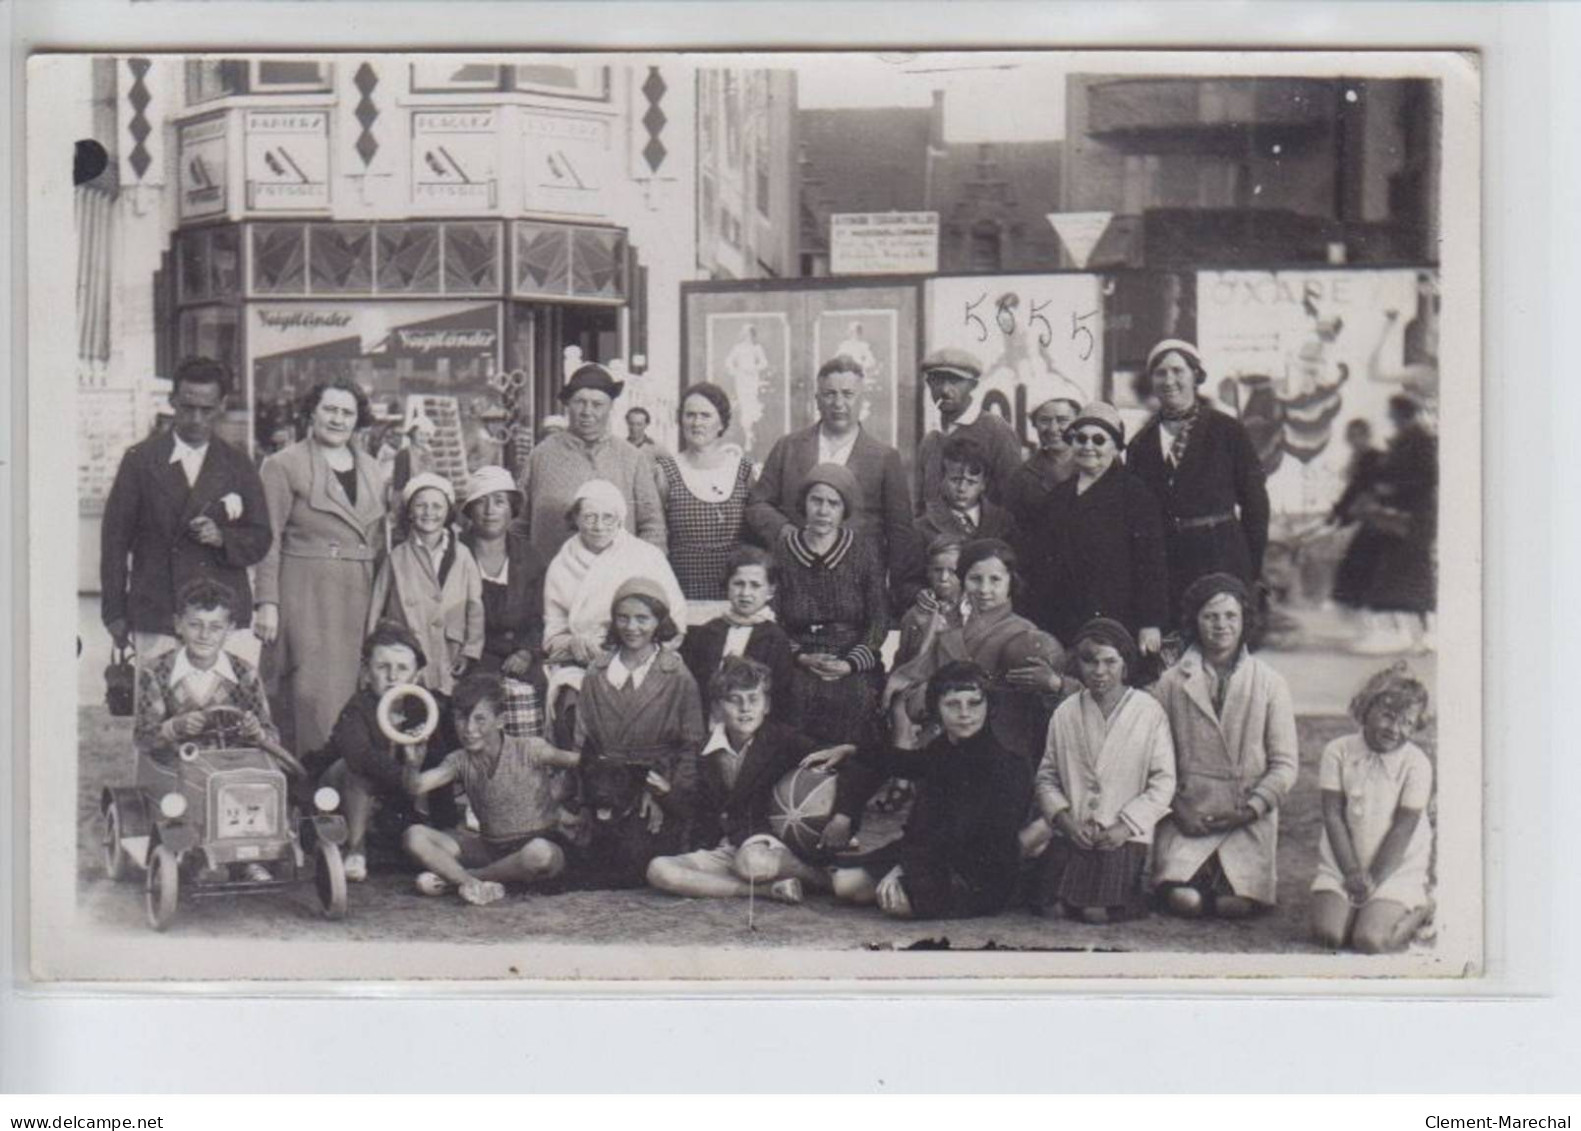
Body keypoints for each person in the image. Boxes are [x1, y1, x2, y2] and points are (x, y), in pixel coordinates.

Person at [812, 661, 1033, 921]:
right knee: (847, 886)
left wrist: (903, 867)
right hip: (930, 854)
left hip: (974, 874)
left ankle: (797, 871)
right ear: (937, 708)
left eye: (974, 703)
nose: (965, 713)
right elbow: (910, 762)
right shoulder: (945, 747)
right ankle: (794, 870)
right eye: (953, 704)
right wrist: (853, 750)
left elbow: (962, 835)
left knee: (895, 903)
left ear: (988, 706)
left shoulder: (1002, 764)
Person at [101, 357, 272, 669]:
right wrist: (114, 610)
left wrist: (223, 539)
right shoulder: (140, 460)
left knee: (222, 714)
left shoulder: (238, 463)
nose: (196, 419)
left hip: (221, 617)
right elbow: (114, 541)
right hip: (157, 610)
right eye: (186, 407)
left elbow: (261, 537)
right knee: (157, 712)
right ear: (172, 402)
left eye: (206, 410)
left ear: (221, 405)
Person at [1152, 573, 1299, 919]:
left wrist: (1250, 809)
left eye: (1231, 616)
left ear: (1245, 619)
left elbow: (1285, 765)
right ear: (1194, 621)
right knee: (1184, 901)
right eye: (1210, 616)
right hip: (1189, 815)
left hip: (1244, 816)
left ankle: (1234, 886)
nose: (1221, 626)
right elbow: (1155, 759)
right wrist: (1178, 808)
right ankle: (1183, 882)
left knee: (1234, 904)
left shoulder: (1269, 682)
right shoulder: (1171, 683)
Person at [254, 377, 387, 754]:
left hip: (359, 592)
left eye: (347, 412)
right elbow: (269, 538)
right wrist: (267, 602)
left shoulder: (374, 469)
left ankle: (350, 788)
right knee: (309, 693)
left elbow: (379, 539)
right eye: (330, 409)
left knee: (355, 688)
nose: (338, 419)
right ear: (312, 412)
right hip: (306, 592)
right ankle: (310, 788)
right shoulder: (283, 465)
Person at [646, 657, 841, 904]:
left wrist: (845, 753)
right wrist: (665, 793)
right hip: (727, 849)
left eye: (753, 699)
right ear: (717, 708)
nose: (745, 709)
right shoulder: (704, 749)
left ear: (767, 705)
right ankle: (768, 891)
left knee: (752, 863)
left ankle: (817, 878)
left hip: (769, 846)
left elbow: (828, 761)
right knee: (659, 870)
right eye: (734, 700)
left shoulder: (783, 741)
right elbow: (697, 809)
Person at [1021, 619, 1177, 923]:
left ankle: (1134, 897)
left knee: (1095, 912)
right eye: (1089, 662)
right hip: (1076, 830)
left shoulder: (1148, 712)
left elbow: (1163, 781)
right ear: (1076, 664)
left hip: (1122, 834)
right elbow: (1047, 777)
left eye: (1110, 662)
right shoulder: (1066, 712)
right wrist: (1065, 820)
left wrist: (1125, 826)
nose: (1100, 671)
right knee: (1051, 908)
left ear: (1125, 664)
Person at [568, 578, 709, 889]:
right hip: (605, 787)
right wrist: (583, 802)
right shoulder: (597, 672)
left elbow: (690, 746)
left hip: (654, 786)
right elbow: (583, 741)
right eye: (623, 617)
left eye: (642, 618)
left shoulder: (677, 675)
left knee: (636, 860)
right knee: (590, 859)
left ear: (659, 621)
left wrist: (668, 797)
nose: (632, 627)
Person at [401, 672, 580, 906]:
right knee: (414, 835)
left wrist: (572, 802)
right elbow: (416, 786)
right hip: (490, 847)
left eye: (480, 719)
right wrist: (412, 765)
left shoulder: (531, 749)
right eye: (461, 719)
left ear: (500, 720)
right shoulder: (459, 760)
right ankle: (472, 883)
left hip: (538, 846)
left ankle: (463, 880)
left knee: (539, 854)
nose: (469, 729)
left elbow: (583, 763)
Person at [1125, 339, 1271, 620]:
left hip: (1222, 555)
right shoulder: (1140, 444)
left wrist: (1252, 568)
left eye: (1178, 371)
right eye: (1160, 373)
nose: (1169, 380)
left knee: (1221, 643)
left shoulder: (1227, 430)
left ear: (1195, 376)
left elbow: (1255, 505)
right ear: (1152, 382)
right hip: (1168, 562)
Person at [746, 356, 913, 593]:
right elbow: (757, 505)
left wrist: (896, 593)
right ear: (817, 400)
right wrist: (787, 534)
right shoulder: (789, 447)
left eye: (847, 394)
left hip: (858, 585)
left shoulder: (884, 457)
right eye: (829, 394)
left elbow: (900, 532)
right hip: (795, 578)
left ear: (862, 399)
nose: (838, 403)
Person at [886, 539, 1064, 761]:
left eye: (995, 580)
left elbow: (1033, 706)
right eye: (975, 579)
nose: (985, 590)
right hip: (944, 737)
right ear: (962, 580)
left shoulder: (1025, 634)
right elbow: (917, 677)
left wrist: (1052, 683)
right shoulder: (949, 624)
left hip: (1001, 746)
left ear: (1011, 581)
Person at [316, 621, 460, 883]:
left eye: (402, 668)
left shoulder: (426, 707)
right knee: (353, 770)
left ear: (416, 676)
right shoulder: (358, 707)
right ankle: (356, 850)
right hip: (351, 792)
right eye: (383, 667)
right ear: (367, 672)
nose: (393, 677)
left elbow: (443, 757)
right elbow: (360, 755)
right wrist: (405, 777)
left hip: (397, 799)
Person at [540, 480, 686, 733]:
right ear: (575, 518)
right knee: (573, 704)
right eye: (589, 517)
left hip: (643, 656)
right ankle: (578, 769)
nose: (598, 526)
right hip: (582, 662)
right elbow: (554, 632)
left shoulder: (646, 556)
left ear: (621, 520)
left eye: (608, 518)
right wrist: (574, 643)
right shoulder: (561, 564)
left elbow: (674, 622)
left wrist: (634, 651)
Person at [1027, 402, 1169, 658]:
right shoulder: (1059, 496)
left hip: (1117, 619)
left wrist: (1151, 622)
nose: (1088, 446)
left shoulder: (1136, 495)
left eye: (1099, 439)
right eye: (1080, 438)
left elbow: (1151, 563)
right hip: (1063, 621)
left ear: (1115, 448)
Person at [1310, 664, 1435, 953]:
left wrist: (1375, 879)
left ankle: (1422, 908)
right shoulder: (1338, 751)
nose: (1395, 729)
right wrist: (1351, 872)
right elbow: (1333, 816)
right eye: (1388, 716)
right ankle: (1352, 904)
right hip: (1344, 862)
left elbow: (1403, 828)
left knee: (1370, 941)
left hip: (1394, 867)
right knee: (1330, 935)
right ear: (1366, 709)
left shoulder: (1416, 764)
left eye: (1407, 722)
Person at [771, 463, 889, 748]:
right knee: (794, 699)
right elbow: (773, 620)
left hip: (850, 657)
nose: (823, 511)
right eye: (817, 501)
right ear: (805, 504)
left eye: (833, 504)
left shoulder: (863, 551)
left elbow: (879, 622)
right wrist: (800, 657)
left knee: (857, 700)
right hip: (801, 658)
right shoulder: (785, 550)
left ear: (843, 509)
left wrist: (850, 664)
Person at [132, 578, 292, 773]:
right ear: (178, 624)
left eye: (215, 627)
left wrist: (255, 731)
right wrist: (175, 727)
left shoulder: (245, 673)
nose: (204, 635)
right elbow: (143, 738)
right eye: (195, 625)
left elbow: (271, 736)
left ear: (230, 629)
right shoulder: (156, 671)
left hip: (233, 771)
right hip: (179, 773)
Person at [518, 362, 666, 561]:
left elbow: (652, 526)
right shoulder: (541, 455)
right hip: (551, 580)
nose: (587, 411)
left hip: (617, 581)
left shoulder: (631, 458)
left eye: (597, 404)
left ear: (610, 408)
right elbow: (519, 524)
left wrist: (641, 576)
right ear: (568, 404)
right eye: (580, 402)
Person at [367, 473, 484, 698]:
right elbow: (376, 605)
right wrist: (373, 649)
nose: (429, 512)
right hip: (407, 651)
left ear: (448, 512)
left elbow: (475, 606)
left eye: (437, 506)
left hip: (449, 650)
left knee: (443, 704)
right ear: (410, 512)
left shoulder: (462, 555)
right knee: (409, 704)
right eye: (421, 506)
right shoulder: (397, 557)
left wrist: (470, 650)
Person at [1352, 395, 1439, 654]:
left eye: (1392, 413)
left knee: (1411, 577)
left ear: (1402, 414)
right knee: (1405, 577)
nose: (1390, 418)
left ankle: (1419, 636)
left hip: (1412, 518)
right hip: (1409, 517)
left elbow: (1424, 477)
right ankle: (1414, 635)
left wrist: (1392, 490)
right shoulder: (1410, 438)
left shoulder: (1417, 440)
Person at [656, 383, 758, 600]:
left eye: (705, 415)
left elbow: (755, 535)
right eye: (690, 415)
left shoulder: (743, 470)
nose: (697, 423)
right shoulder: (666, 470)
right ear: (680, 420)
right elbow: (655, 532)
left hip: (735, 590)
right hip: (681, 587)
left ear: (721, 422)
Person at [679, 546, 800, 726]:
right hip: (707, 725)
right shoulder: (707, 633)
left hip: (755, 730)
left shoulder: (775, 638)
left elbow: (780, 697)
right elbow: (693, 690)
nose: (745, 593)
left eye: (755, 585)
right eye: (738, 583)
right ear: (727, 585)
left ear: (770, 591)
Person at [896, 435, 1017, 606]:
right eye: (955, 480)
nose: (962, 489)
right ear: (942, 480)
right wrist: (922, 596)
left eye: (971, 482)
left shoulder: (1003, 522)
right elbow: (906, 583)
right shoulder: (922, 527)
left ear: (984, 484)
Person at [457, 465, 548, 687]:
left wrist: (526, 652)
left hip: (516, 659)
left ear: (511, 509)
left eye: (499, 502)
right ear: (469, 509)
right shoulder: (455, 552)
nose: (489, 511)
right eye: (481, 502)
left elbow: (539, 617)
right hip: (466, 658)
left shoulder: (530, 557)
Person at [914, 347, 1024, 511]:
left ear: (973, 385)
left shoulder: (997, 431)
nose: (945, 390)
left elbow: (1012, 500)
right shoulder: (931, 439)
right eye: (937, 380)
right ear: (928, 384)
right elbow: (923, 504)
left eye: (955, 381)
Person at [1328, 418, 1389, 613]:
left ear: (1366, 436)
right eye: (1351, 436)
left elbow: (1357, 489)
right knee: (1359, 559)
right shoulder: (1360, 458)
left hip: (1380, 518)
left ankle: (1356, 605)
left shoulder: (1372, 457)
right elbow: (1354, 491)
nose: (1354, 440)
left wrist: (1339, 513)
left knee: (1360, 559)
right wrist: (1340, 514)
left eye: (1358, 436)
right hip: (1369, 517)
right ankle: (1357, 605)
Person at [1003, 395, 1081, 535]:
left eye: (1062, 420)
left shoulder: (1094, 468)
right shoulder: (1023, 477)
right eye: (1045, 421)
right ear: (1034, 424)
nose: (1053, 429)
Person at [893, 533, 964, 671]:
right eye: (937, 570)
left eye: (953, 571)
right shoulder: (914, 616)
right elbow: (902, 662)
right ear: (927, 572)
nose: (944, 578)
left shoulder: (973, 612)